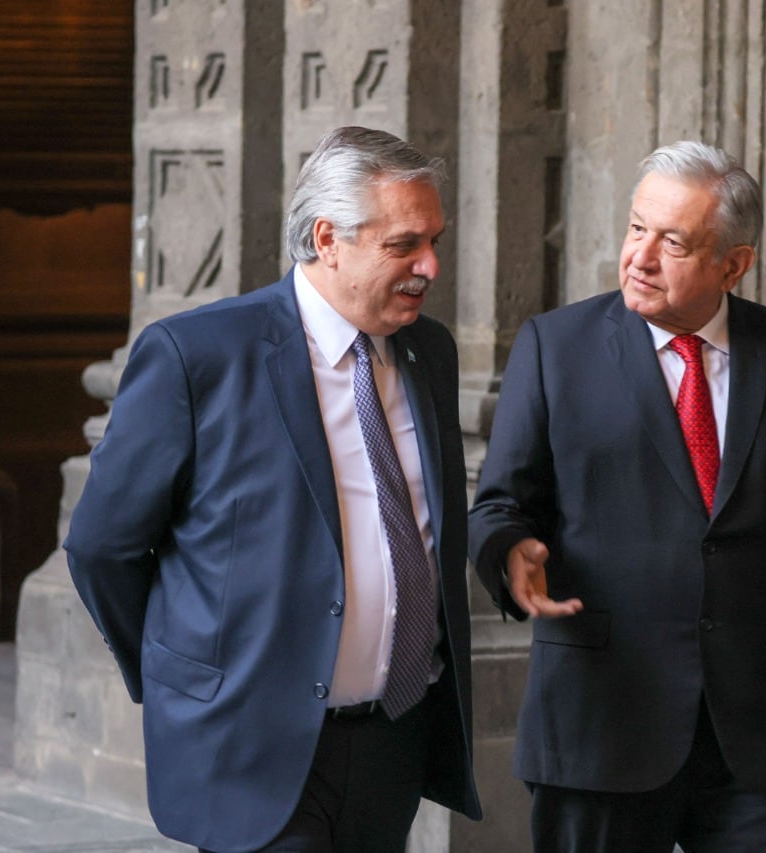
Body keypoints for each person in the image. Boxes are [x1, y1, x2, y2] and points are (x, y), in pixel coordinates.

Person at [65, 126, 481, 853]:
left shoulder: (429, 352)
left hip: (393, 738)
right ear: (328, 238)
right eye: (404, 245)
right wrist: (187, 675)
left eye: (434, 240)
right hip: (252, 744)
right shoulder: (198, 356)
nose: (430, 265)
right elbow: (104, 546)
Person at [468, 140, 766, 852]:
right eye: (638, 227)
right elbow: (499, 504)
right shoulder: (555, 347)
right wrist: (511, 552)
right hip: (601, 721)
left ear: (735, 264)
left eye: (674, 241)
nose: (640, 255)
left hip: (758, 738)